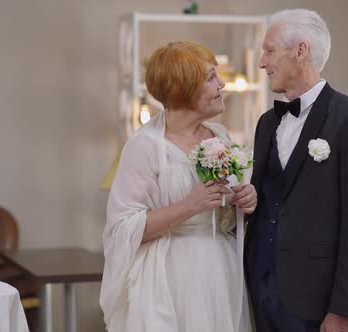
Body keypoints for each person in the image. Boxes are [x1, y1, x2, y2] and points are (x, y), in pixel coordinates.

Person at [241, 9, 348, 332]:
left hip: (315, 300)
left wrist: (343, 310)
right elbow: (266, 199)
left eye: (269, 50)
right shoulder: (266, 123)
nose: (262, 62)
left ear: (300, 51)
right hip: (258, 287)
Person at [100, 41, 257, 332]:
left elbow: (225, 215)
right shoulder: (145, 146)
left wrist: (244, 201)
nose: (221, 84)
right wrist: (189, 206)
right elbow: (122, 227)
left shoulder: (220, 136)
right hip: (169, 277)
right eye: (211, 77)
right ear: (184, 88)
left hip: (219, 271)